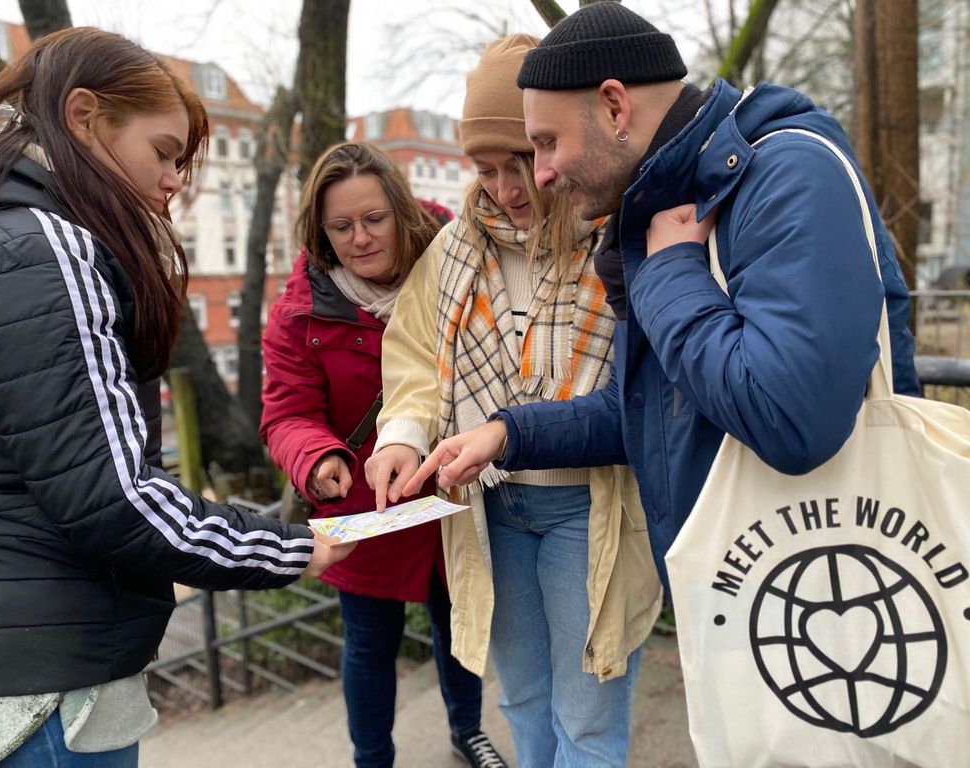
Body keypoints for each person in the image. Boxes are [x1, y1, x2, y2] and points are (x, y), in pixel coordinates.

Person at [405, 2, 921, 592]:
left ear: (615, 105)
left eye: (547, 142)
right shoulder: (663, 206)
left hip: (837, 579)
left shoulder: (786, 174)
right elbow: (660, 409)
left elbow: (791, 419)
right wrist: (510, 433)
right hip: (751, 577)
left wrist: (670, 269)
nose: (540, 174)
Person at [0, 28, 353, 768]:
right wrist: (288, 547)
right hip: (47, 689)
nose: (175, 181)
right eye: (163, 152)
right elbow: (115, 496)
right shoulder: (44, 249)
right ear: (84, 118)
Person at [365, 34, 662, 768]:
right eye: (485, 168)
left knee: (588, 714)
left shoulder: (619, 230)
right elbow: (413, 358)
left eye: (522, 160)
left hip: (589, 507)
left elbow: (645, 390)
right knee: (522, 698)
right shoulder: (455, 246)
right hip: (491, 508)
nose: (505, 188)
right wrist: (400, 437)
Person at [259, 142, 504, 768]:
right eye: (341, 227)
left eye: (374, 219)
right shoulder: (299, 311)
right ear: (321, 231)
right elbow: (287, 412)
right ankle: (372, 757)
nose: (360, 238)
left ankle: (467, 731)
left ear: (399, 209)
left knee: (458, 627)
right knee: (369, 643)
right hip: (370, 503)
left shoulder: (457, 260)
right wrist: (317, 458)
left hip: (454, 484)